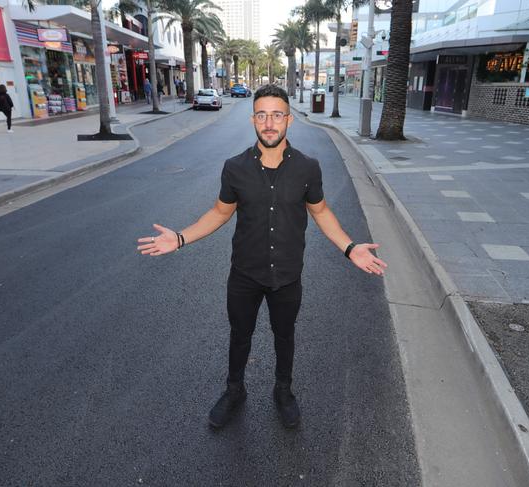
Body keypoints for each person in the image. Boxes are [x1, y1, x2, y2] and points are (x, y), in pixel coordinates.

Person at [137, 85, 387, 429]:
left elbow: (322, 211)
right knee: (240, 335)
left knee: (285, 335)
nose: (269, 123)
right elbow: (219, 213)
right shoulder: (234, 167)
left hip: (287, 276)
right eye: (262, 115)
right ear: (253, 118)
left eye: (277, 115)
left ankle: (283, 390)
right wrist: (180, 238)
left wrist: (350, 247)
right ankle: (234, 389)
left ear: (289, 119)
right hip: (244, 275)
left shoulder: (308, 168)